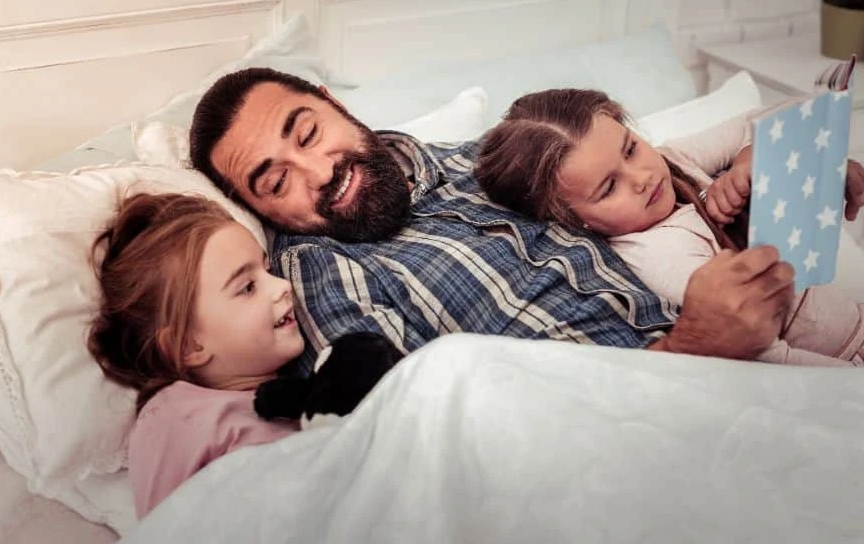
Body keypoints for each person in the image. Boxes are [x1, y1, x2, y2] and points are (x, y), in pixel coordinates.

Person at [187, 67, 796, 380]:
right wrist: (691, 349)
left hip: (761, 357)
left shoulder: (487, 158)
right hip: (650, 427)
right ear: (260, 210)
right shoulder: (322, 277)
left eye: (309, 132)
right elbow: (429, 441)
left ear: (335, 102)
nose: (317, 172)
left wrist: (765, 180)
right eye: (275, 181)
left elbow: (646, 182)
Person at [474, 88, 864, 372]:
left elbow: (778, 116)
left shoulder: (672, 160)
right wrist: (854, 380)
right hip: (842, 354)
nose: (643, 176)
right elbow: (764, 349)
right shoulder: (656, 256)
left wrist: (756, 157)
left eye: (630, 149)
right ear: (575, 219)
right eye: (609, 188)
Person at [87, 192, 309, 518]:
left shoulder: (287, 395)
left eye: (267, 269)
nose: (281, 286)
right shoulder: (172, 418)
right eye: (248, 287)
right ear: (189, 346)